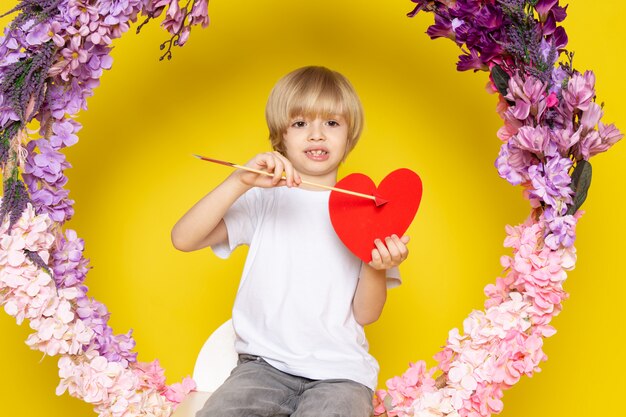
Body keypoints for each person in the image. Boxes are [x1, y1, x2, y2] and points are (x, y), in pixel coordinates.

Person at [171, 66, 410, 417]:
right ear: (280, 137)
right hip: (261, 368)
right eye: (300, 124)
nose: (316, 135)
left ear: (349, 135)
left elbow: (366, 314)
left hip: (341, 377)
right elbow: (183, 239)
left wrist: (377, 266)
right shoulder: (263, 199)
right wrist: (239, 182)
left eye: (331, 123)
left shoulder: (369, 211)